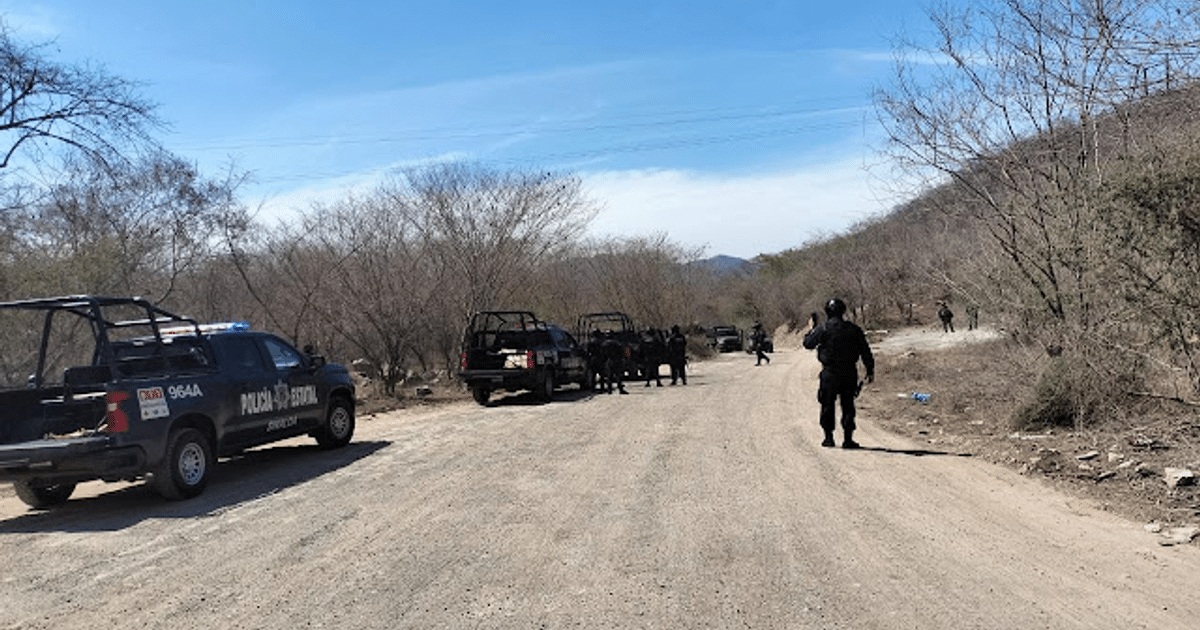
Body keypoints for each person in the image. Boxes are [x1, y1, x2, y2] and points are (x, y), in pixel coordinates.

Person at [803, 298, 875, 449]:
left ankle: (828, 438)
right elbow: (865, 351)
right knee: (848, 405)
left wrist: (811, 329)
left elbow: (808, 344)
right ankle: (848, 440)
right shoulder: (853, 329)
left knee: (827, 405)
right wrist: (870, 370)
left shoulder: (822, 329)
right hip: (849, 372)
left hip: (829, 373)